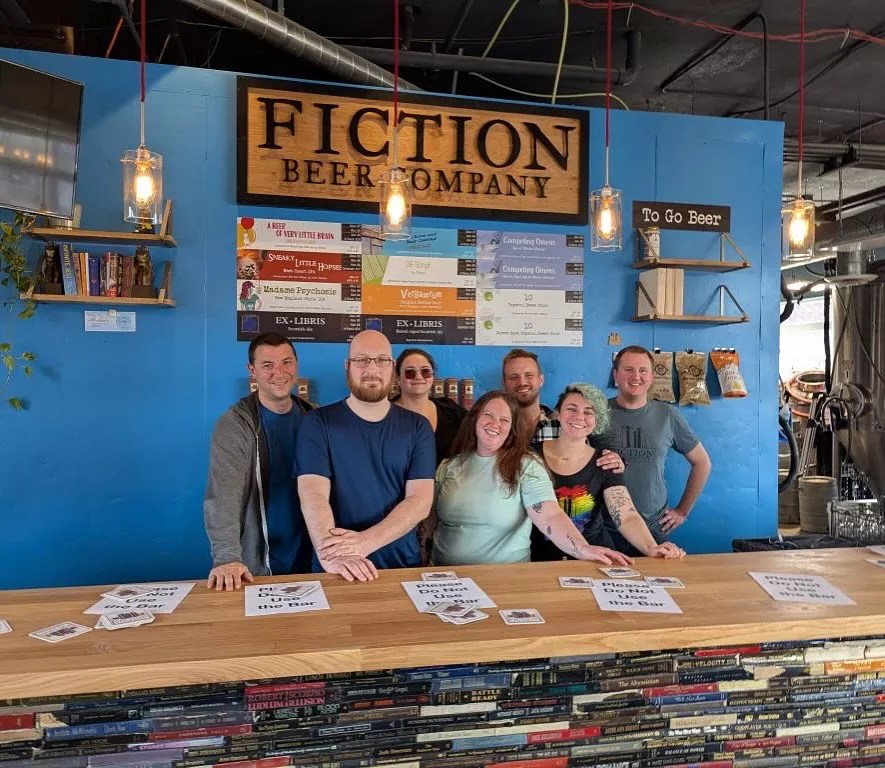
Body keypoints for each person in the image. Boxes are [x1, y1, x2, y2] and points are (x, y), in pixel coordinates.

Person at [428, 390, 633, 567]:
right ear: (475, 419)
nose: (495, 424)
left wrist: (582, 548)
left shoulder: (526, 465)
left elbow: (550, 515)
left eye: (504, 420)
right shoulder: (449, 465)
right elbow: (429, 522)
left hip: (505, 578)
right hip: (445, 575)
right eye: (488, 415)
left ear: (511, 429)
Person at [296, 330, 436, 581]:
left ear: (392, 367)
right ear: (348, 366)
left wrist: (364, 543)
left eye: (381, 360)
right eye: (362, 359)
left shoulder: (418, 427)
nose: (372, 368)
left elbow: (420, 502)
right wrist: (334, 556)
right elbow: (313, 495)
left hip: (401, 566)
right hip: (336, 569)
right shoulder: (317, 423)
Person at [203, 332, 315, 591]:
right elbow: (223, 496)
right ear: (252, 370)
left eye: (287, 362)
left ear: (296, 365)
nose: (279, 372)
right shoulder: (235, 425)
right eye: (268, 365)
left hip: (314, 555)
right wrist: (227, 557)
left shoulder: (315, 418)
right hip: (261, 561)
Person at [533, 383, 685, 561]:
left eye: (588, 412)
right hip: (541, 559)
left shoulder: (606, 461)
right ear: (558, 413)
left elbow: (625, 515)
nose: (579, 417)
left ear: (598, 419)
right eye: (571, 409)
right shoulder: (531, 456)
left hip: (597, 557)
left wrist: (652, 547)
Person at [608, 345, 712, 548]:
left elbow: (702, 462)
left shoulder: (667, 415)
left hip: (653, 526)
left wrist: (682, 511)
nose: (636, 376)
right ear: (616, 375)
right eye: (628, 370)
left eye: (643, 370)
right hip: (605, 527)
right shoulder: (597, 413)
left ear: (652, 376)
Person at [501, 348, 625, 474]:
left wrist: (616, 460)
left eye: (529, 375)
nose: (522, 382)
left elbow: (602, 451)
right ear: (504, 383)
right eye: (513, 377)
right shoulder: (497, 427)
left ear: (541, 380)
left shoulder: (568, 422)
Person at [392, 348, 466, 465]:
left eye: (425, 372)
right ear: (398, 379)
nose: (419, 377)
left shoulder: (450, 410)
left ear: (433, 377)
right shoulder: (384, 416)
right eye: (410, 372)